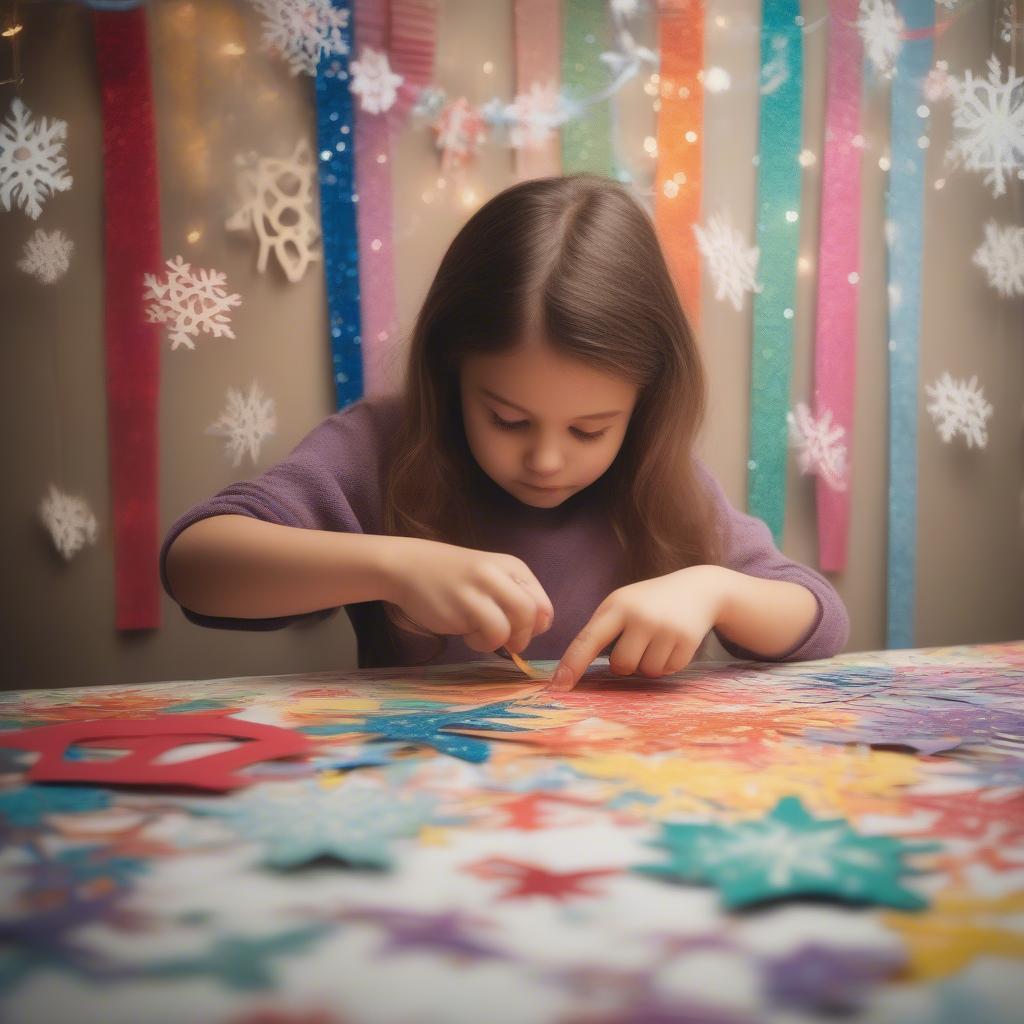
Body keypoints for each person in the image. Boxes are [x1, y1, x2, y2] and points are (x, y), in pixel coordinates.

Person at [161, 173, 849, 692]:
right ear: (450, 370)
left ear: (645, 404)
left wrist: (715, 590)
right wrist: (394, 567)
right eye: (509, 419)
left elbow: (820, 619)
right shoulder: (385, 447)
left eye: (590, 428)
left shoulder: (657, 474)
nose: (547, 459)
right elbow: (196, 563)